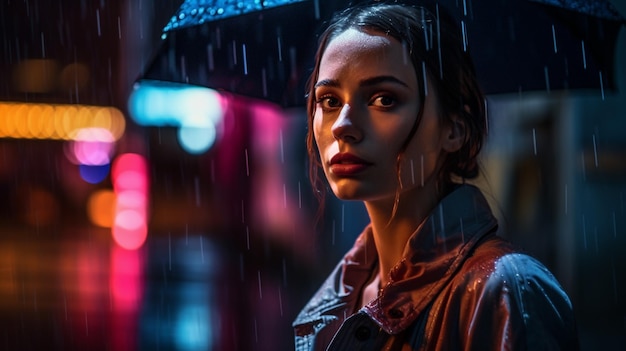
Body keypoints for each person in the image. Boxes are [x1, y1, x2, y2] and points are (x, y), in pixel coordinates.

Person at [292, 1, 579, 350]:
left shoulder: (507, 291)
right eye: (329, 101)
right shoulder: (338, 299)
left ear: (454, 128)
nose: (343, 127)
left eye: (384, 99)